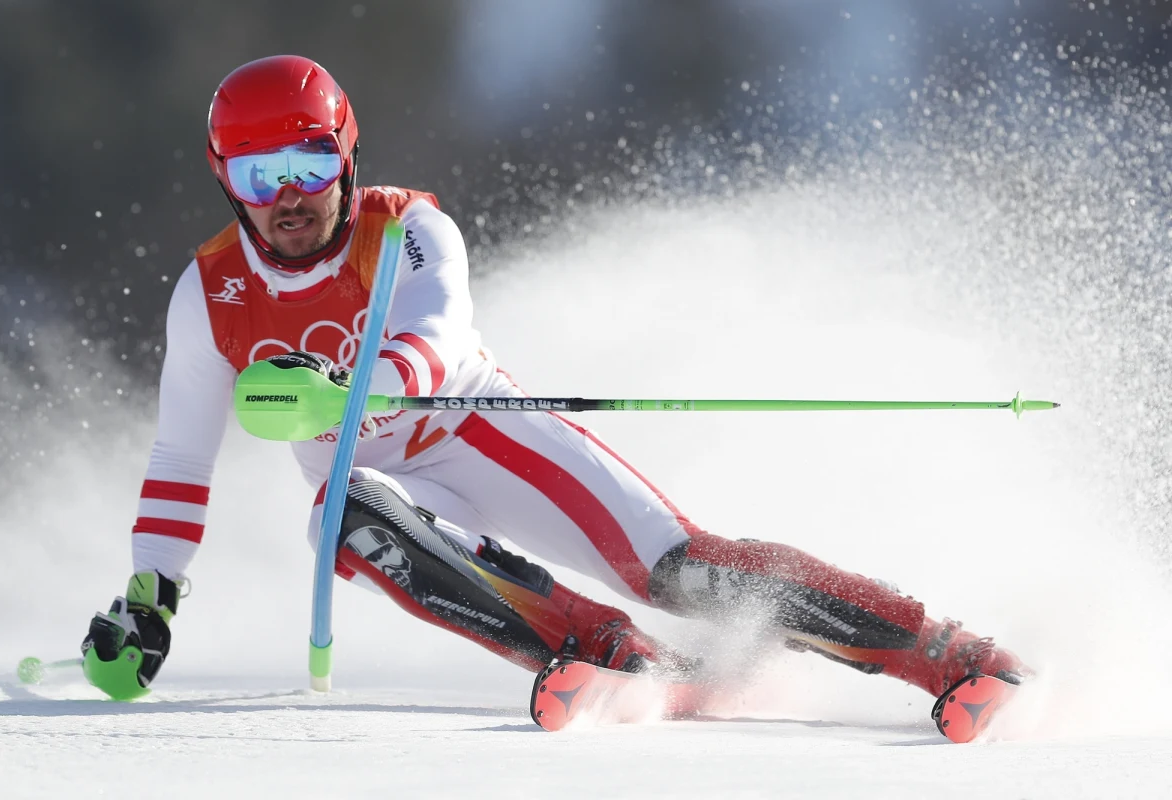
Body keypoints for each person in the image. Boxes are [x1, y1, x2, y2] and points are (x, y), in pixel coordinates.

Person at [82, 56, 1030, 724]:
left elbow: (437, 337)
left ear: (347, 153)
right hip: (390, 492)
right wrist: (151, 597)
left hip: (483, 436)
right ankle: (607, 655)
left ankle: (947, 655)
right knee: (348, 514)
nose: (287, 198)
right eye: (258, 174)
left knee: (686, 573)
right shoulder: (209, 296)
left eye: (309, 165)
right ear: (223, 176)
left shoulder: (408, 230)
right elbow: (178, 459)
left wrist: (356, 395)